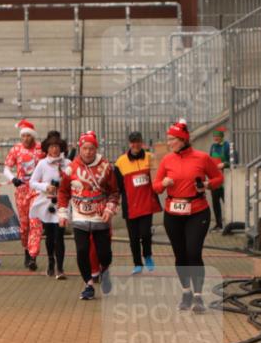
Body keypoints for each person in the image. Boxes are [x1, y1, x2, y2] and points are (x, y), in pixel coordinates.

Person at [154, 120, 224, 314]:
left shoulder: (202, 157)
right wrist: (163, 184)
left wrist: (207, 185)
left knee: (193, 252)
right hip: (173, 213)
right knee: (180, 255)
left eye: (172, 139)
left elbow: (219, 178)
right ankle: (186, 292)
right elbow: (156, 186)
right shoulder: (167, 160)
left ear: (183, 139)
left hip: (197, 211)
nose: (169, 143)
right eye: (168, 139)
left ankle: (198, 296)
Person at [57, 131, 119, 301]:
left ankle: (105, 270)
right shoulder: (71, 168)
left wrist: (109, 209)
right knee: (82, 251)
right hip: (80, 217)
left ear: (96, 149)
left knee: (104, 254)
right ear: (80, 148)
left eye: (91, 148)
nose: (88, 152)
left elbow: (114, 192)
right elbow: (63, 192)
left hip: (100, 216)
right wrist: (63, 213)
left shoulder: (106, 167)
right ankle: (88, 284)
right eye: (85, 148)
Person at [113, 131, 161, 274]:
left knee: (145, 234)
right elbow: (117, 186)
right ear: (129, 143)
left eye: (138, 141)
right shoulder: (120, 162)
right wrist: (115, 202)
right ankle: (137, 263)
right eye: (133, 142)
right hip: (130, 205)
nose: (136, 144)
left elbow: (156, 177)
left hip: (146, 203)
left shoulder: (150, 157)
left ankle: (148, 256)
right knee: (133, 237)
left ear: (142, 142)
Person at [3, 119, 45, 270]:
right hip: (21, 192)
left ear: (33, 136)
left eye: (28, 135)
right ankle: (26, 250)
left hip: (36, 191)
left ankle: (33, 256)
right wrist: (13, 178)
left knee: (35, 223)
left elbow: (52, 160)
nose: (26, 138)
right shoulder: (16, 150)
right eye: (23, 136)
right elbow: (6, 168)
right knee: (24, 227)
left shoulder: (41, 149)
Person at [30, 135, 71, 279]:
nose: (54, 149)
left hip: (62, 204)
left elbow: (73, 180)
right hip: (47, 204)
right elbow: (32, 182)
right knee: (49, 236)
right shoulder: (42, 164)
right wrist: (45, 186)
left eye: (57, 146)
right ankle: (50, 262)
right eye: (52, 147)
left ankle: (60, 268)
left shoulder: (68, 163)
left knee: (59, 236)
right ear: (47, 149)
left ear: (61, 148)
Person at [208, 126, 232, 231]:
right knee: (215, 203)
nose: (215, 138)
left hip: (224, 179)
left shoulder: (227, 146)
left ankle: (230, 223)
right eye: (214, 136)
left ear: (222, 136)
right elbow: (209, 160)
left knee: (227, 202)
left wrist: (224, 164)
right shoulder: (213, 147)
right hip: (214, 178)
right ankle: (219, 224)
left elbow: (234, 161)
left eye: (217, 136)